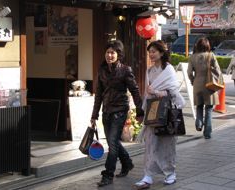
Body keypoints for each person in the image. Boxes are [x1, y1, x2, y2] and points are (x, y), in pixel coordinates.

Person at [90, 39, 144, 187]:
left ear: (118, 54)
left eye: (112, 52)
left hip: (120, 111)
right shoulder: (101, 71)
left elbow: (135, 90)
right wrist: (94, 115)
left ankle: (108, 175)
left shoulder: (125, 70)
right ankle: (127, 163)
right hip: (106, 112)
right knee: (112, 143)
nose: (109, 55)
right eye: (107, 52)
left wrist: (140, 110)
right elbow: (99, 95)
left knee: (112, 144)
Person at [134, 40, 186, 189]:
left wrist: (156, 92)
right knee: (150, 144)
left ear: (162, 53)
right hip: (152, 111)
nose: (151, 54)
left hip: (167, 112)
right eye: (149, 51)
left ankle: (170, 173)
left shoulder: (168, 70)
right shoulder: (149, 71)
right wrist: (143, 109)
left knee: (167, 144)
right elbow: (146, 92)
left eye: (154, 51)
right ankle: (148, 175)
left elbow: (173, 92)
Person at [187, 37, 221, 139]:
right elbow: (218, 72)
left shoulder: (192, 57)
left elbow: (189, 73)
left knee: (199, 106)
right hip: (209, 85)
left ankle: (198, 123)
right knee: (209, 109)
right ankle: (207, 133)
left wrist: (193, 80)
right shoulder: (211, 56)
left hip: (197, 84)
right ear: (207, 45)